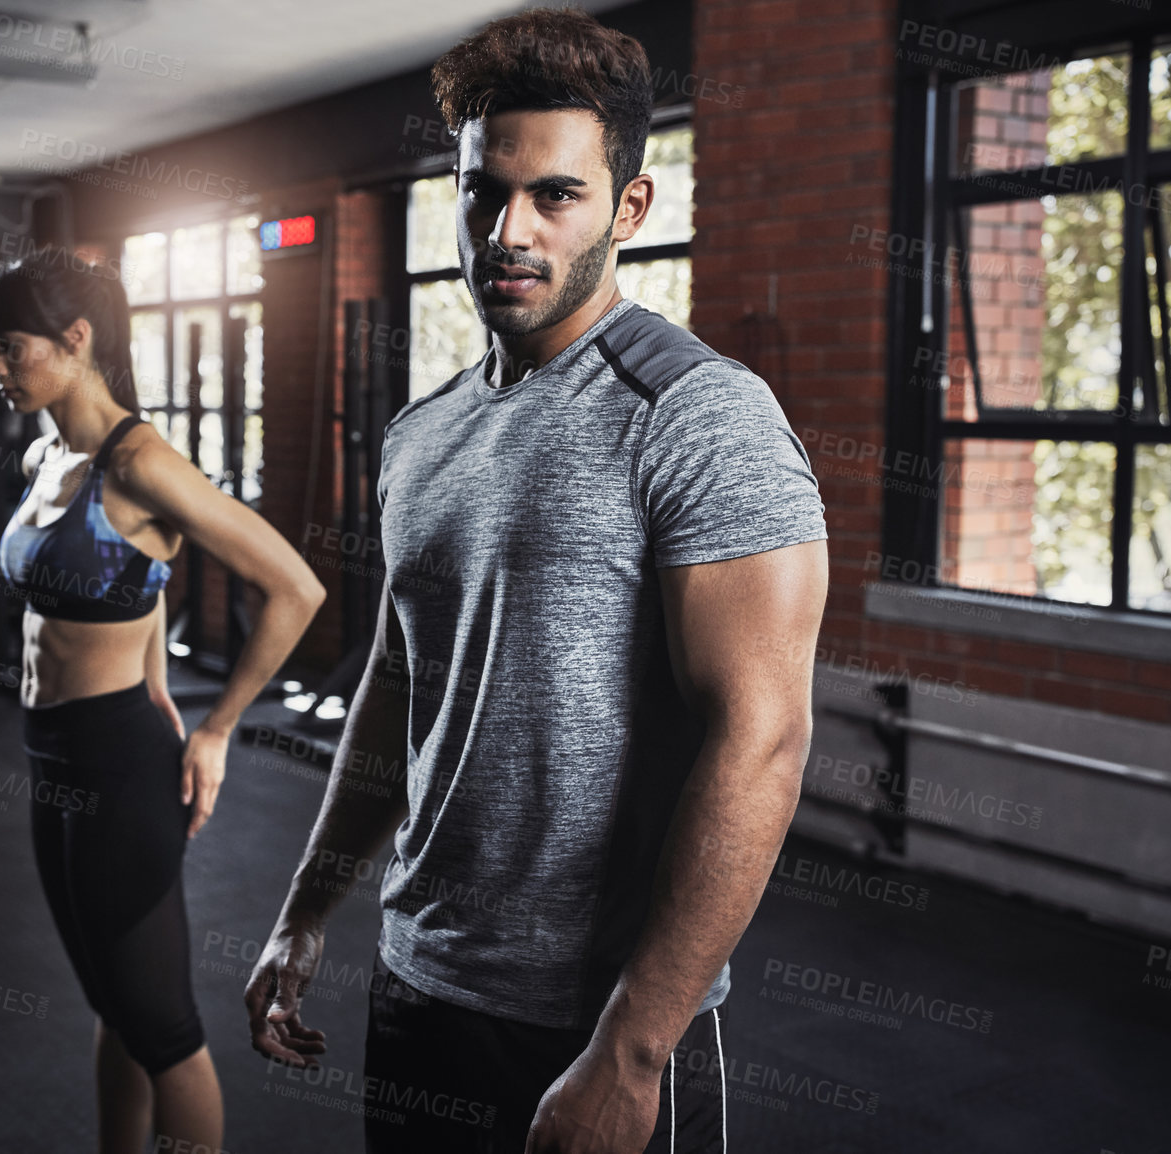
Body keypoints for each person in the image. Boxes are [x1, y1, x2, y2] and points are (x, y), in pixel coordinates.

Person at [243, 9, 828, 1154]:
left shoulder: (699, 417)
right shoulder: (421, 433)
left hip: (590, 1018)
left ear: (629, 207)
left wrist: (633, 1047)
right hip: (420, 979)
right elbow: (400, 682)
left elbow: (760, 739)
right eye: (480, 192)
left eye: (555, 196)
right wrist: (308, 908)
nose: (507, 230)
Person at [0, 248, 325, 1154]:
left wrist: (216, 729)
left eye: (9, 347)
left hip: (120, 764)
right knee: (110, 1003)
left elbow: (297, 588)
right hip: (52, 757)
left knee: (161, 1027)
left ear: (75, 339)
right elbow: (142, 575)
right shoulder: (50, 453)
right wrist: (164, 679)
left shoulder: (143, 462)